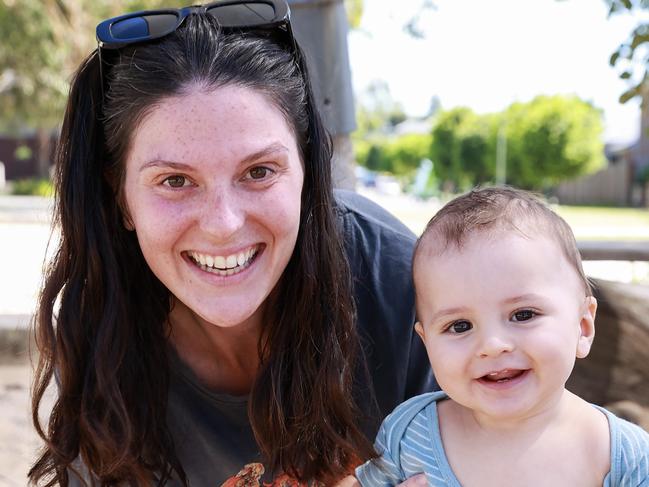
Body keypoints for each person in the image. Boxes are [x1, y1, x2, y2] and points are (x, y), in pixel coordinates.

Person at [28, 2, 435, 486]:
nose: (223, 224)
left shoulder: (400, 282)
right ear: (121, 198)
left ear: (308, 172)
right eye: (175, 181)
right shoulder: (96, 323)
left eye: (259, 172)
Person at [350, 187, 649, 486]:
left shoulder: (621, 456)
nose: (492, 346)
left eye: (523, 315)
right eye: (460, 326)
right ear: (427, 342)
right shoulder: (409, 434)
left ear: (582, 326)